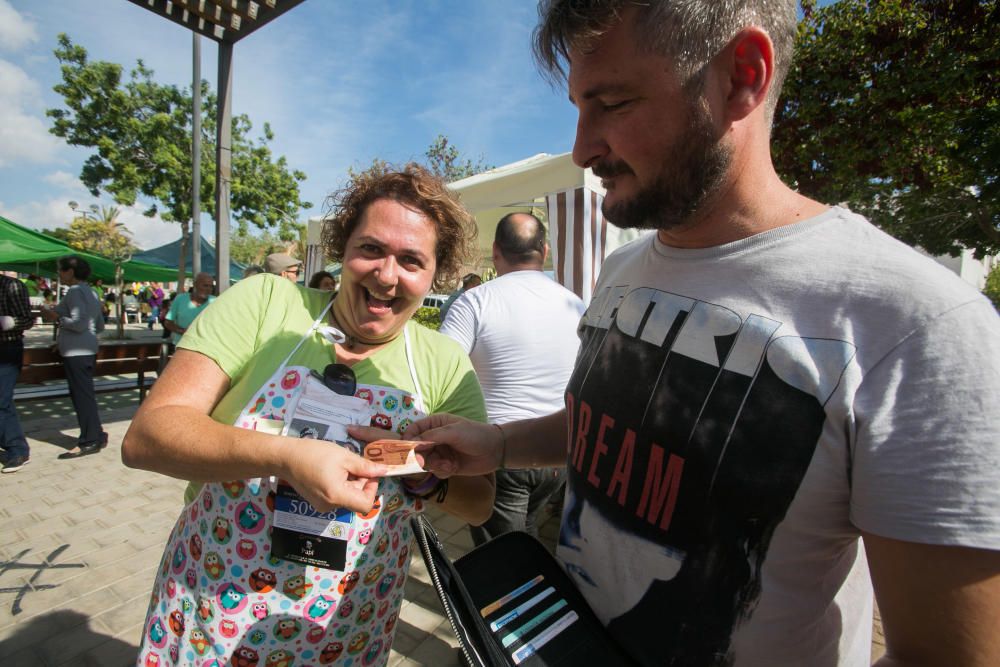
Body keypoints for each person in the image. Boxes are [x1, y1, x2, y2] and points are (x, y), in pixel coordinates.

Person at [388, 2, 1000, 665]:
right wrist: (499, 443)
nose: (582, 147)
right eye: (578, 107)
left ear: (742, 75)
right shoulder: (623, 269)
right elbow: (602, 424)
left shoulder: (916, 326)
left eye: (612, 103)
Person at [122, 164, 495, 667]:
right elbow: (148, 435)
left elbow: (478, 505)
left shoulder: (442, 362)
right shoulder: (266, 303)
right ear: (344, 249)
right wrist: (287, 455)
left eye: (411, 260)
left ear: (434, 275)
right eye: (371, 249)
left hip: (347, 628)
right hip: (214, 603)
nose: (387, 275)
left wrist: (422, 474)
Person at [440, 211, 585, 546]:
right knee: (525, 536)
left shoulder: (475, 302)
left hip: (500, 451)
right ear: (544, 251)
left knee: (504, 555)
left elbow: (440, 369)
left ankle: (507, 596)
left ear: (495, 251)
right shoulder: (575, 303)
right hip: (556, 454)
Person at [41, 256, 108, 459]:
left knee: (81, 397)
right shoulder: (92, 293)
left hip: (76, 352)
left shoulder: (75, 292)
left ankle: (89, 440)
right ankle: (96, 434)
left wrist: (58, 319)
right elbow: (99, 325)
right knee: (86, 395)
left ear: (70, 271)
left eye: (61, 270)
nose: (59, 274)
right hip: (88, 350)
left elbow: (78, 323)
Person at [0, 274, 35, 473]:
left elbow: (27, 320)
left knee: (1, 400)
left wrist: (5, 322)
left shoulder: (12, 285)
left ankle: (17, 449)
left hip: (6, 348)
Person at [162, 272, 215, 347]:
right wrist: (183, 331)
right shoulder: (180, 299)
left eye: (211, 286)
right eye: (205, 285)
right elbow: (168, 322)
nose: (209, 289)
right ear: (195, 284)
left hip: (206, 346)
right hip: (183, 345)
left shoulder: (215, 301)